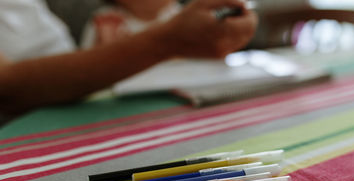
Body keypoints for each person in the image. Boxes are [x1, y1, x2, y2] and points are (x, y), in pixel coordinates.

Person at [0, 0, 257, 121]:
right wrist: (169, 41)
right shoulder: (107, 22)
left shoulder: (176, 14)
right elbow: (8, 85)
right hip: (87, 108)